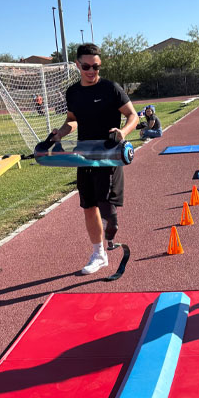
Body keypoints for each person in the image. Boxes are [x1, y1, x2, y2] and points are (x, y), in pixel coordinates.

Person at [49, 43, 139, 275]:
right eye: (87, 66)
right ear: (78, 65)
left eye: (96, 67)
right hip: (84, 156)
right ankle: (99, 254)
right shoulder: (73, 92)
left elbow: (133, 115)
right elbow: (72, 120)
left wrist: (123, 132)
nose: (91, 71)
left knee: (108, 212)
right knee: (89, 206)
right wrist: (60, 133)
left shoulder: (111, 88)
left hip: (109, 155)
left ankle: (110, 235)